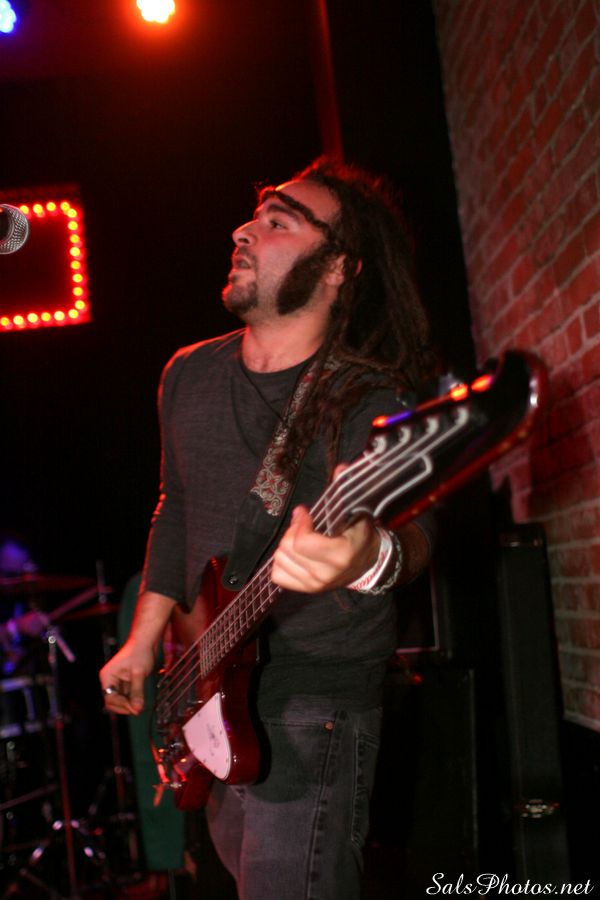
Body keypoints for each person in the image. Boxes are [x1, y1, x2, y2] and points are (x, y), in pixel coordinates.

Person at [99, 158, 436, 899]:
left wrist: (363, 556)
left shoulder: (368, 397)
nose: (243, 231)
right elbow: (176, 508)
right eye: (253, 217)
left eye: (278, 221)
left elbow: (414, 535)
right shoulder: (187, 374)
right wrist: (144, 640)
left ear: (338, 268)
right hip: (212, 691)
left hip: (315, 703)